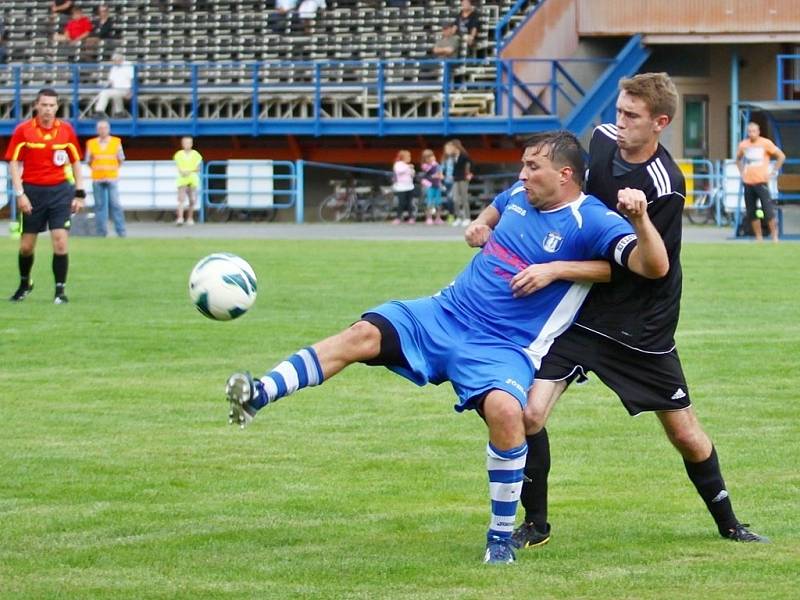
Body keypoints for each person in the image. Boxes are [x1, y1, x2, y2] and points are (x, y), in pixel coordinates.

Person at [224, 130, 668, 564]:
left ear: (565, 174)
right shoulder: (519, 193)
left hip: (502, 345)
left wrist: (635, 222)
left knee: (507, 412)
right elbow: (495, 211)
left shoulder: (590, 219)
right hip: (445, 313)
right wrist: (480, 224)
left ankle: (499, 538)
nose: (523, 174)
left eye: (533, 167)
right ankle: (259, 394)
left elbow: (653, 266)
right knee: (361, 333)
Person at [510, 73, 769, 551]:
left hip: (641, 328)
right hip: (584, 315)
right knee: (528, 413)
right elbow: (565, 189)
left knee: (685, 434)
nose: (619, 122)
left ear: (660, 123)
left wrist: (634, 221)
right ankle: (536, 525)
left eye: (631, 116)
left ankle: (730, 524)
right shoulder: (603, 141)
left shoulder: (666, 184)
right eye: (619, 110)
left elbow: (647, 269)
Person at [5, 88, 85, 304]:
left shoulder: (66, 131)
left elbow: (76, 161)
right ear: (36, 106)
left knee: (60, 242)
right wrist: (20, 194)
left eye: (52, 105)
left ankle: (60, 291)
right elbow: (13, 161)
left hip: (60, 192)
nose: (48, 109)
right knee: (26, 246)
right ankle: (25, 283)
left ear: (57, 107)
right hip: (32, 192)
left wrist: (79, 193)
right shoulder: (24, 131)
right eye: (44, 105)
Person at [736, 121, 785, 243]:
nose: (751, 134)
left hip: (761, 182)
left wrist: (773, 171)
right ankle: (759, 237)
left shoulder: (765, 143)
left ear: (758, 132)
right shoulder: (743, 145)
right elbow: (738, 159)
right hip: (748, 182)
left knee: (768, 210)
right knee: (751, 211)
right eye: (749, 131)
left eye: (754, 131)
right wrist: (742, 172)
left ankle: (774, 236)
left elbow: (781, 156)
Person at [85, 119, 126, 238]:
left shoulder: (116, 142)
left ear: (108, 129)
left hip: (112, 177)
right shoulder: (91, 143)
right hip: (97, 178)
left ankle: (121, 232)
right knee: (99, 207)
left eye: (105, 128)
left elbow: (121, 158)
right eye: (100, 128)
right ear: (97, 130)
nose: (102, 130)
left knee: (115, 205)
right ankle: (101, 233)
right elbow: (88, 160)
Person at [94, 52, 134, 118]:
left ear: (120, 59)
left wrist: (131, 91)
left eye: (115, 61)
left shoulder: (128, 66)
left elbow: (133, 79)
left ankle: (99, 111)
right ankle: (119, 113)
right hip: (116, 89)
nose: (114, 62)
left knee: (105, 93)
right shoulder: (114, 68)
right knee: (113, 94)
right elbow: (111, 81)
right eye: (113, 61)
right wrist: (105, 84)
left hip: (126, 89)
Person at [174, 136, 203, 226]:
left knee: (192, 199)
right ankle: (180, 218)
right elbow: (178, 167)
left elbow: (198, 168)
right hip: (182, 179)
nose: (187, 144)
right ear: (182, 144)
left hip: (192, 179)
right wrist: (183, 172)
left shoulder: (196, 154)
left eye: (189, 143)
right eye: (185, 143)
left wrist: (189, 171)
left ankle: (190, 218)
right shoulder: (178, 154)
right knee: (181, 199)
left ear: (192, 144)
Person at [449, 138, 473, 227]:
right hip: (456, 179)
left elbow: (471, 164)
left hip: (463, 178)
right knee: (455, 199)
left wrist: (470, 173)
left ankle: (467, 218)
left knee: (464, 198)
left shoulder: (464, 155)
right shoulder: (453, 156)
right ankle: (458, 217)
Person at [420, 149, 444, 225]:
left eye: (431, 156)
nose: (430, 158)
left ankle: (438, 218)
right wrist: (434, 167)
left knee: (438, 202)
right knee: (429, 202)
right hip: (429, 186)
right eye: (428, 157)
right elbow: (428, 172)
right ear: (424, 159)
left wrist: (440, 176)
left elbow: (440, 174)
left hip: (437, 185)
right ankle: (429, 218)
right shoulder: (425, 165)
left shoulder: (437, 165)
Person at [391, 150, 415, 225]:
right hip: (401, 188)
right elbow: (399, 171)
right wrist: (408, 166)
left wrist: (412, 171)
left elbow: (412, 174)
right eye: (408, 156)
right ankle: (398, 218)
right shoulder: (398, 164)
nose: (409, 158)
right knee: (401, 203)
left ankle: (411, 217)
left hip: (409, 187)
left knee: (409, 203)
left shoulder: (408, 166)